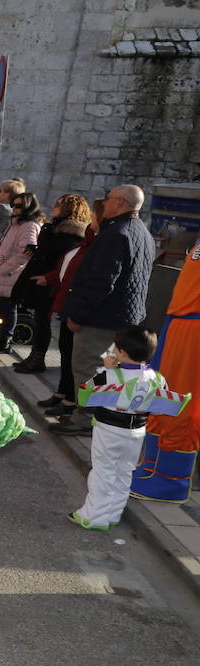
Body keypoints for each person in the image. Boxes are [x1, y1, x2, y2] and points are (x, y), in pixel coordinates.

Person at [54, 185, 155, 435]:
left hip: (101, 317)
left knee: (87, 367)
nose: (104, 203)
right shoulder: (143, 232)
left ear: (120, 203)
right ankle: (102, 416)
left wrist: (78, 314)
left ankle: (85, 417)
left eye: (109, 199)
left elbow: (101, 281)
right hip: (127, 317)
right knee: (112, 369)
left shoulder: (115, 234)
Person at [71, 326, 188, 530]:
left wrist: (106, 369)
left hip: (108, 429)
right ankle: (113, 513)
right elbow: (163, 401)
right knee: (125, 471)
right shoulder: (157, 378)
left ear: (122, 352)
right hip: (137, 432)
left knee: (103, 471)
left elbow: (86, 394)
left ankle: (93, 517)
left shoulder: (111, 375)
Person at [132, 237, 200, 501]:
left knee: (182, 403)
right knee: (162, 396)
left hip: (194, 324)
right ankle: (152, 467)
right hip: (179, 320)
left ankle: (173, 479)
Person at [11, 193, 91, 374]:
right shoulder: (56, 228)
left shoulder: (71, 233)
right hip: (41, 279)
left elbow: (56, 257)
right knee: (39, 320)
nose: (54, 207)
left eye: (59, 204)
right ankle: (34, 356)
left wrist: (46, 234)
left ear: (69, 209)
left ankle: (38, 359)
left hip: (50, 283)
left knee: (44, 320)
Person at [0, 191, 44, 355]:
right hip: (1, 274)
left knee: (9, 308)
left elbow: (26, 252)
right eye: (13, 205)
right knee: (4, 309)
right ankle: (0, 340)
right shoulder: (15, 223)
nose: (14, 208)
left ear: (28, 208)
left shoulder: (29, 226)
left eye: (18, 206)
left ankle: (4, 341)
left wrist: (4, 268)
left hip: (10, 277)